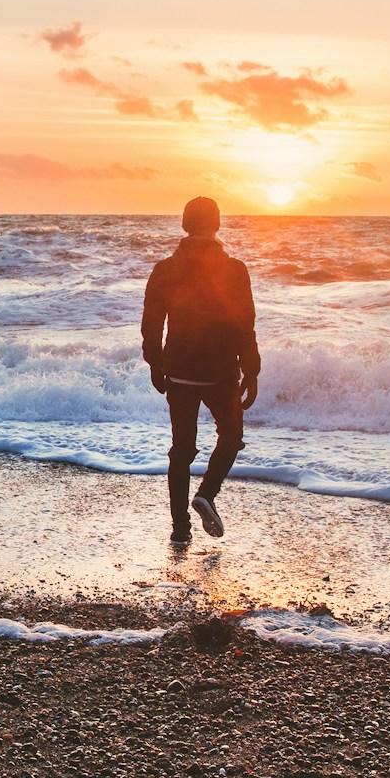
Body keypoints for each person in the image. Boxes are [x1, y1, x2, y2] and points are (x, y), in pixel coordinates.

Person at [141, 196, 260, 544]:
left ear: (184, 223)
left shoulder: (165, 269)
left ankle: (180, 529)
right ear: (218, 224)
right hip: (221, 369)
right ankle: (206, 494)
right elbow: (244, 324)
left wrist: (155, 362)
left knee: (181, 450)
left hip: (178, 369)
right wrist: (250, 370)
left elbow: (151, 322)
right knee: (231, 437)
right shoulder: (234, 269)